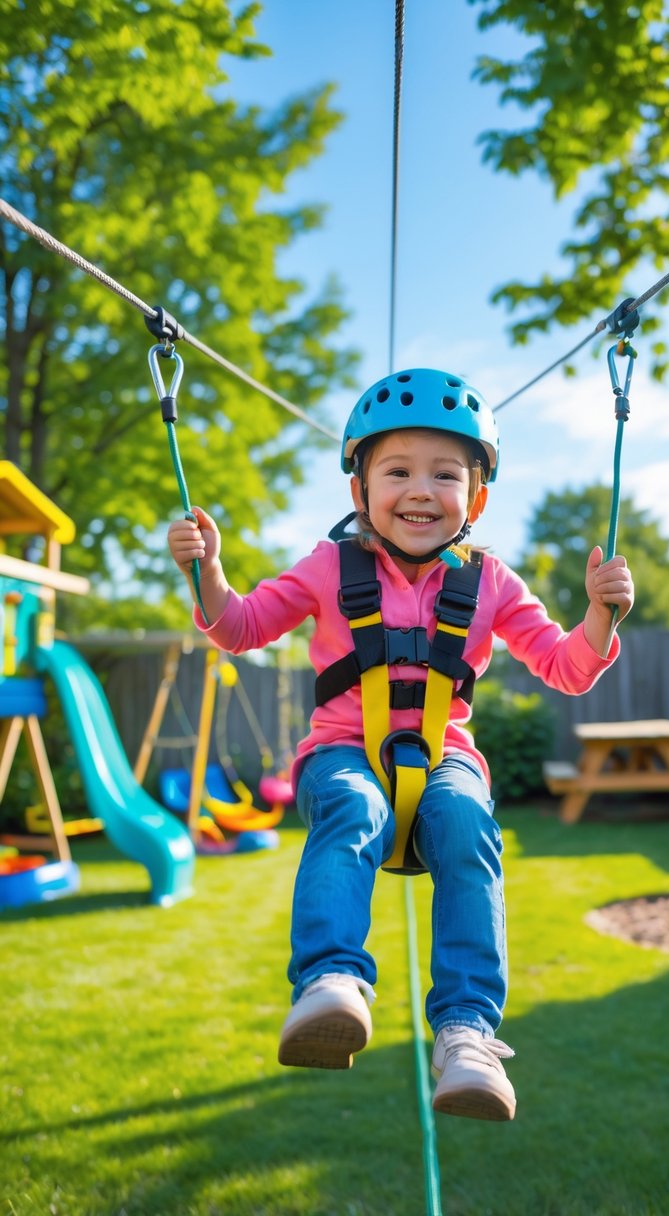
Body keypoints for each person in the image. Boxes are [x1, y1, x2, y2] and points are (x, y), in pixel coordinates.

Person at [168, 367, 634, 1122]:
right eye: (397, 471)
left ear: (474, 498)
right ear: (360, 491)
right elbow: (240, 627)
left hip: (444, 758)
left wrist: (598, 618)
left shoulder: (492, 583)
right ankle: (330, 985)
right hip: (342, 751)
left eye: (444, 474)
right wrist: (208, 574)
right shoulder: (329, 569)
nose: (420, 489)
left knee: (466, 825)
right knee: (350, 806)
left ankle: (467, 1035)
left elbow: (565, 667)